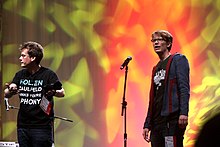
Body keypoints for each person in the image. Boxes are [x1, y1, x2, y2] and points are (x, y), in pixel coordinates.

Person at [4, 41, 65, 147]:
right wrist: (11, 89)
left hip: (41, 127)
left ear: (33, 58)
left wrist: (53, 92)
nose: (20, 58)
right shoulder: (20, 74)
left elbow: (62, 93)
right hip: (23, 126)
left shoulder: (48, 74)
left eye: (23, 56)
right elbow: (6, 93)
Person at [142, 30, 190, 147]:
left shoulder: (178, 60)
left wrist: (184, 112)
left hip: (171, 120)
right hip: (157, 122)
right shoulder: (156, 68)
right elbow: (153, 98)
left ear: (168, 44)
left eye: (159, 40)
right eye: (153, 41)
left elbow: (184, 88)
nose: (155, 43)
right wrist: (147, 124)